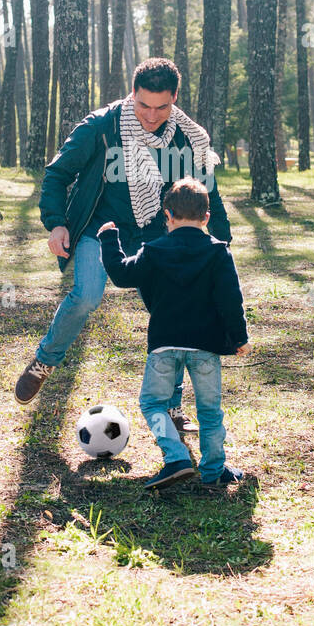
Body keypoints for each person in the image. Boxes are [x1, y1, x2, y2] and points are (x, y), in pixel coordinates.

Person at [14, 58, 232, 430]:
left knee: (174, 311)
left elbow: (204, 191)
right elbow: (57, 174)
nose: (151, 115)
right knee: (86, 296)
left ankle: (173, 406)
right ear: (133, 94)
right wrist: (56, 225)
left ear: (174, 98)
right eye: (143, 105)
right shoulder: (100, 127)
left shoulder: (187, 137)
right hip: (100, 228)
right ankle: (45, 360)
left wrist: (220, 241)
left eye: (161, 107)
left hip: (154, 232)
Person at [97, 177, 249, 490]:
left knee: (153, 403)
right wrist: (239, 338)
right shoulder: (219, 252)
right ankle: (213, 470)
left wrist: (109, 239)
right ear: (206, 218)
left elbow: (123, 274)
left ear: (167, 215)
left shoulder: (153, 250)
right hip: (205, 345)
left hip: (165, 343)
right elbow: (231, 299)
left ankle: (176, 456)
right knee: (209, 411)